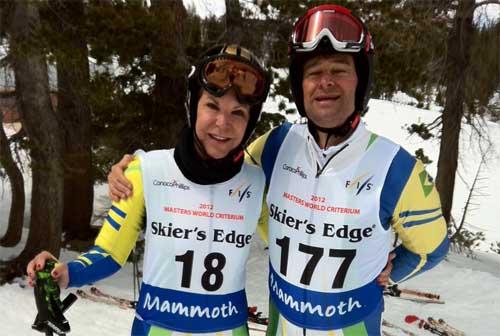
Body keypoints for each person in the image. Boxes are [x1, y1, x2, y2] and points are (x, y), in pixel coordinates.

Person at [108, 5, 448, 336]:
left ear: (361, 81)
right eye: (314, 72)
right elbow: (210, 172)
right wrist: (136, 168)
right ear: (300, 86)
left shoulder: (397, 168)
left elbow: (433, 249)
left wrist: (393, 270)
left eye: (340, 69)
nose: (325, 82)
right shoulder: (274, 147)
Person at [27, 44, 272, 336]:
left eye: (238, 112)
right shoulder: (147, 171)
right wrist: (64, 273)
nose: (223, 123)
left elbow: (296, 249)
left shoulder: (259, 184)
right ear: (193, 105)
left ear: (250, 122)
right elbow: (109, 253)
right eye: (212, 106)